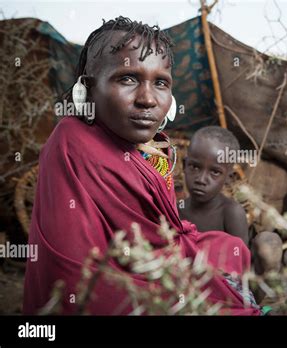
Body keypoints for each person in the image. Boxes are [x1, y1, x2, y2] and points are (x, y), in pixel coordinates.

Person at [23, 16, 261, 315]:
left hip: (158, 261)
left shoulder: (152, 148)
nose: (148, 99)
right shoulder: (72, 143)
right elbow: (79, 274)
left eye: (160, 82)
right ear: (88, 87)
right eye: (128, 78)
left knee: (232, 249)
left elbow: (163, 235)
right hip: (113, 286)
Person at [179, 126, 283, 277]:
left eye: (215, 172)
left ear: (229, 176)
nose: (201, 179)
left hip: (226, 286)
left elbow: (240, 263)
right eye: (194, 167)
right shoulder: (175, 210)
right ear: (184, 165)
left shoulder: (230, 212)